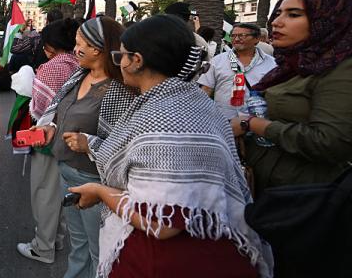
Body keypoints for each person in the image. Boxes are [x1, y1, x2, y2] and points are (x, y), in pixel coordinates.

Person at [69, 15, 273, 278]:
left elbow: (161, 221)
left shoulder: (163, 120)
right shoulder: (198, 104)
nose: (119, 63)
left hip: (163, 260)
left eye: (123, 56)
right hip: (219, 248)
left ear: (137, 61)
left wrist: (99, 191)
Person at [230, 0, 352, 277]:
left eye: (294, 14)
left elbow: (330, 141)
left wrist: (254, 125)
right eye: (279, 13)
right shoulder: (292, 64)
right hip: (268, 197)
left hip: (306, 204)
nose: (276, 21)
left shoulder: (340, 70)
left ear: (326, 20)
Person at [29, 16, 135, 278]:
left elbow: (127, 144)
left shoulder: (119, 90)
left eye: (79, 44)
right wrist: (50, 128)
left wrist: (90, 143)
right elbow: (60, 113)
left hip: (95, 182)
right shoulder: (78, 76)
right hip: (68, 173)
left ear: (98, 49)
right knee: (79, 245)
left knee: (99, 249)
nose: (74, 49)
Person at [17, 18, 80, 264]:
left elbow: (41, 107)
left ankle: (43, 248)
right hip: (72, 138)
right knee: (59, 192)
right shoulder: (79, 64)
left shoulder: (51, 68)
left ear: (50, 46)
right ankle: (57, 238)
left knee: (44, 192)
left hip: (47, 137)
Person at [198, 23, 276, 119]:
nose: (237, 39)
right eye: (233, 36)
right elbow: (206, 89)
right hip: (223, 121)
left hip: (258, 123)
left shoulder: (271, 63)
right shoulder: (218, 61)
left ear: (257, 38)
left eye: (242, 35)